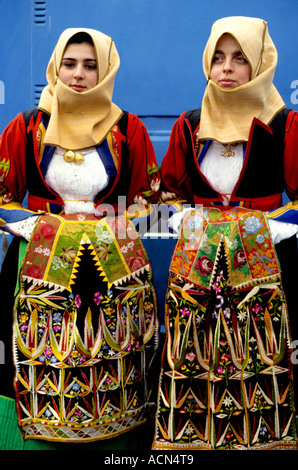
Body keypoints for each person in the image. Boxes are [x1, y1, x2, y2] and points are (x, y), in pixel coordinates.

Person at [0, 28, 160, 450]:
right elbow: (1, 194)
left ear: (106, 72)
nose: (78, 74)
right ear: (56, 67)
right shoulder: (26, 126)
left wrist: (110, 224)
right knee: (35, 360)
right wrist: (37, 225)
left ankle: (115, 448)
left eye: (91, 66)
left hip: (110, 276)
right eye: (69, 64)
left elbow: (149, 200)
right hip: (38, 272)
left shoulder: (129, 130)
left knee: (111, 368)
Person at [153, 16, 298, 450]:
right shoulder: (189, 125)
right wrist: (180, 216)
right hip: (198, 273)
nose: (226, 68)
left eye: (239, 58)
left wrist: (277, 225)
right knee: (196, 356)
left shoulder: (284, 124)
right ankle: (190, 444)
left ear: (260, 64)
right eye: (217, 58)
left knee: (263, 355)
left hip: (266, 272)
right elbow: (164, 194)